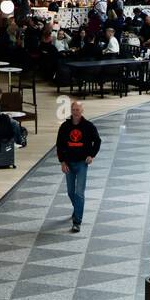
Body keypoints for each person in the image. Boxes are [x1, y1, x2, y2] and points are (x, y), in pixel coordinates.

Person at [56, 100, 101, 233]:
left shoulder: (88, 126)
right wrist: (62, 162)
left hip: (82, 163)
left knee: (79, 193)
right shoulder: (64, 127)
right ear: (71, 111)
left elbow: (97, 141)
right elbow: (59, 145)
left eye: (78, 110)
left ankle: (77, 221)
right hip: (69, 163)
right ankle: (77, 209)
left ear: (82, 111)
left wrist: (91, 155)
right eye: (74, 110)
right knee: (70, 191)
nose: (76, 112)